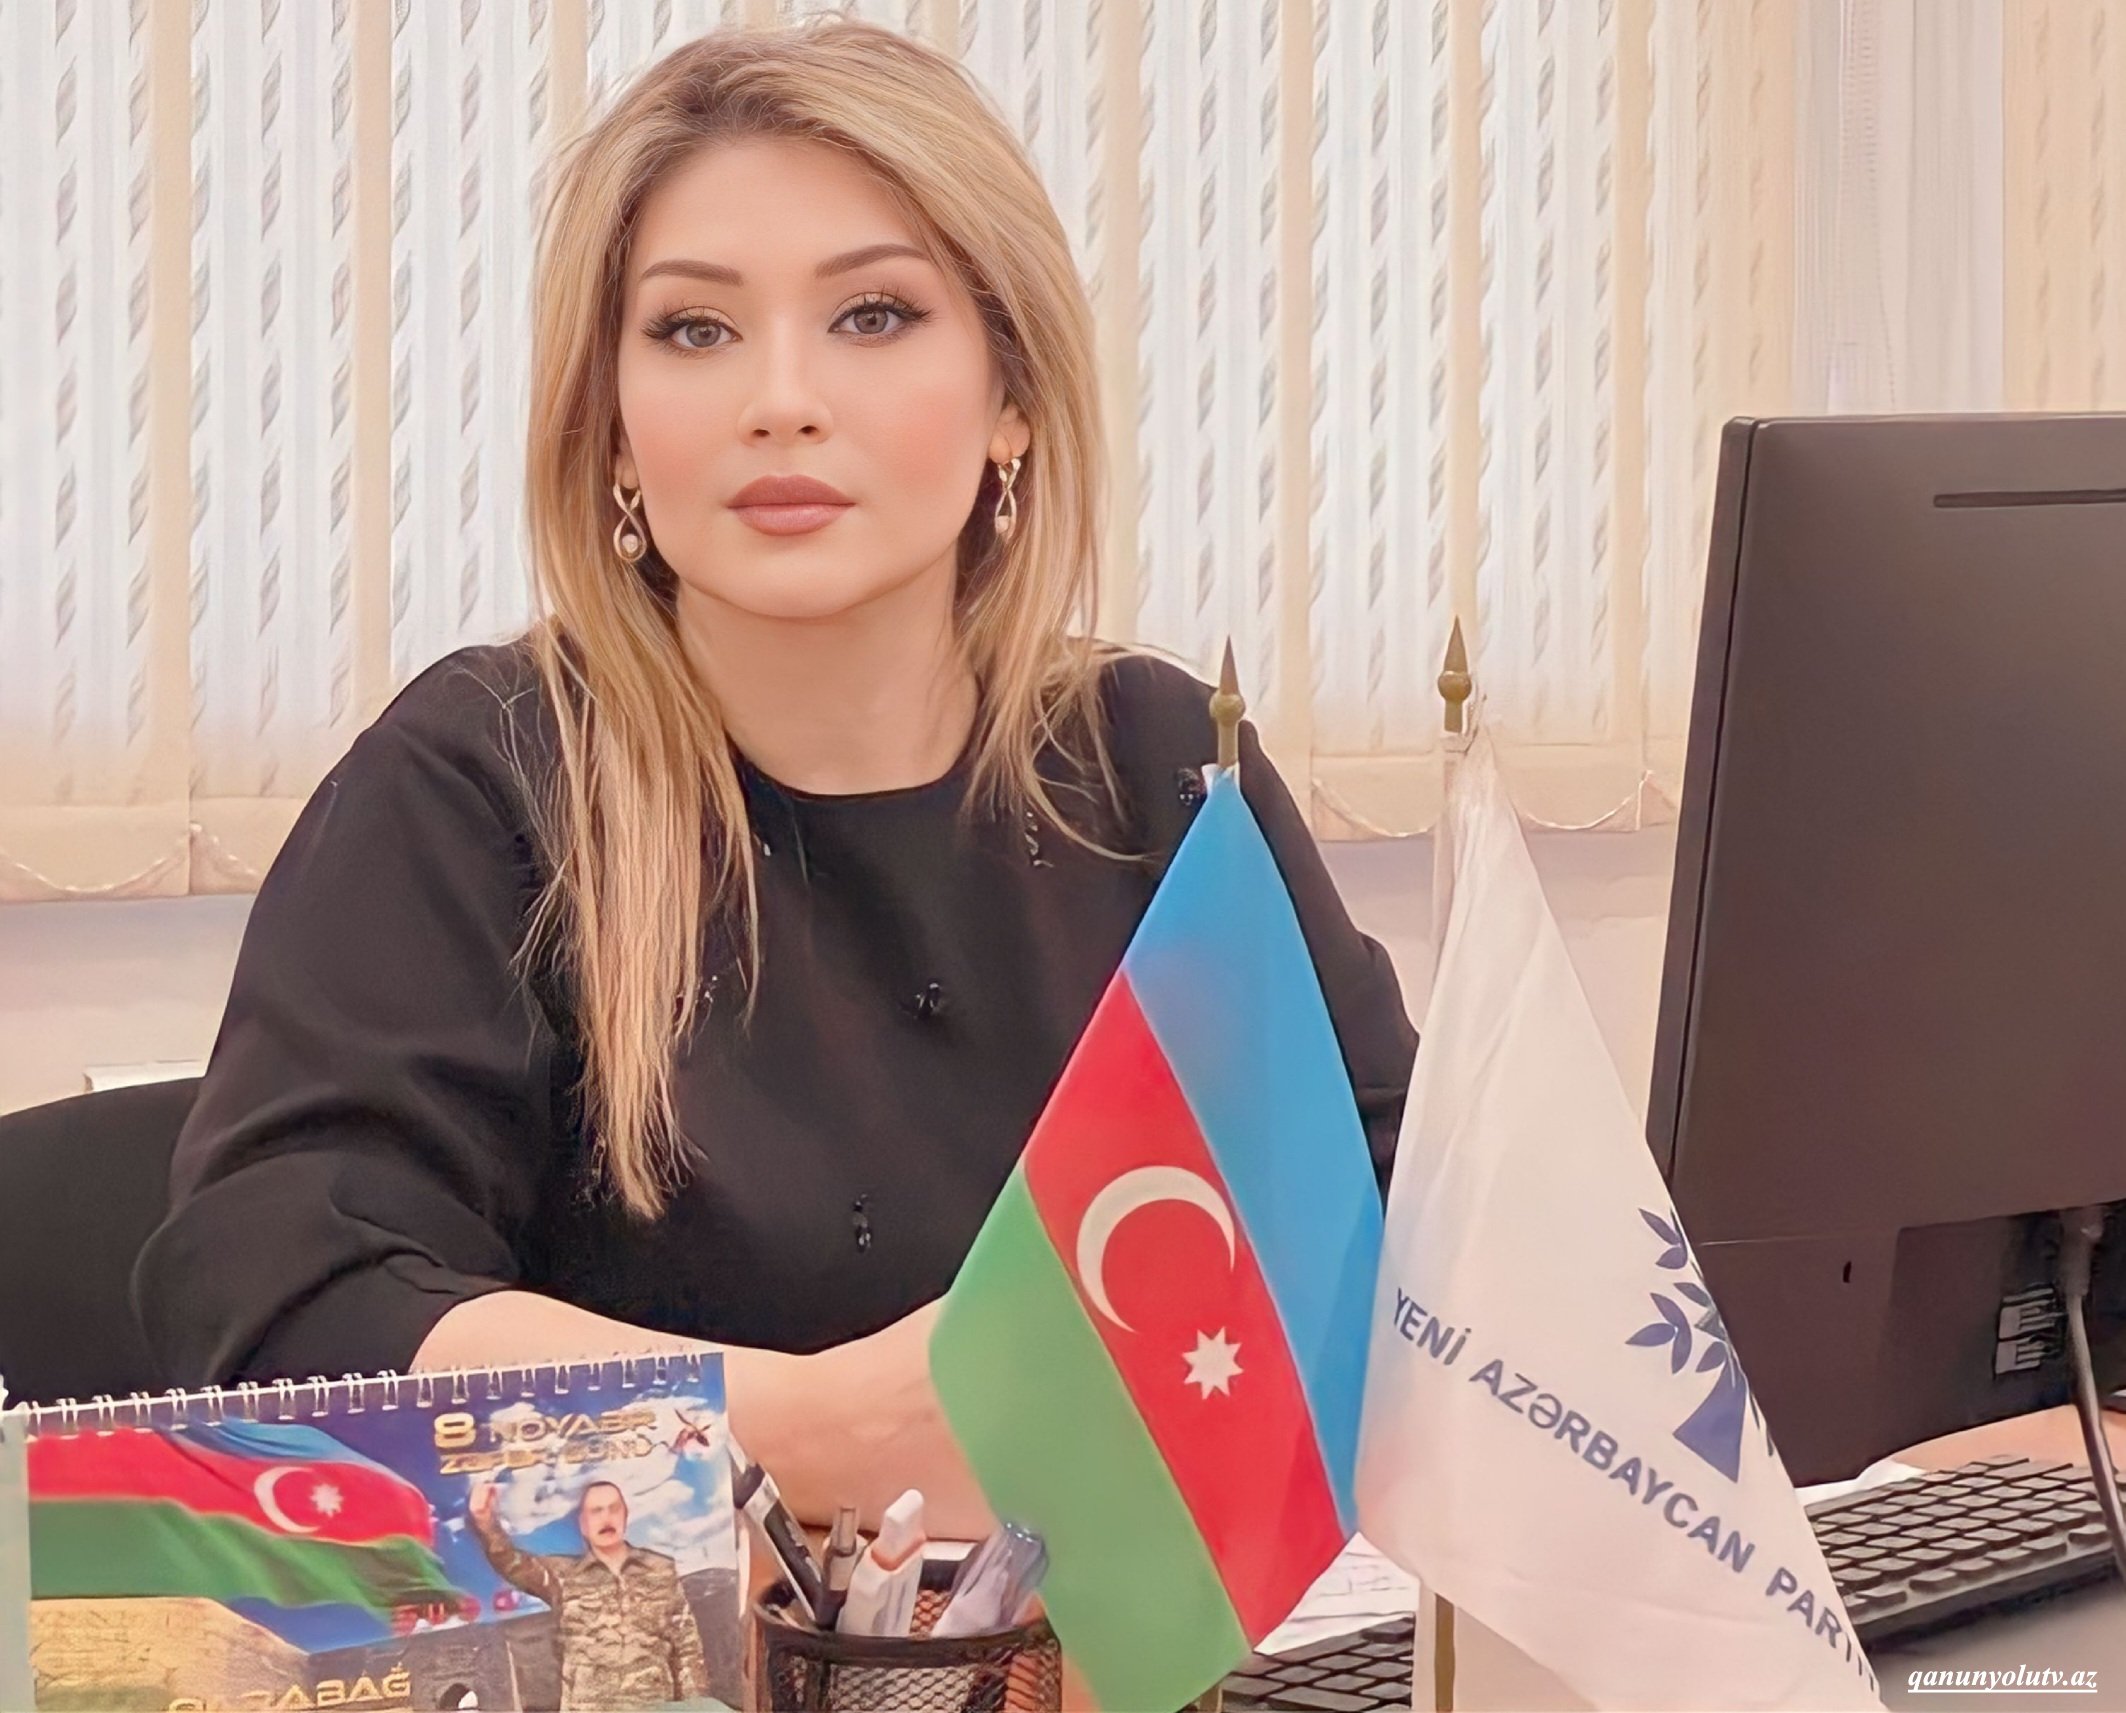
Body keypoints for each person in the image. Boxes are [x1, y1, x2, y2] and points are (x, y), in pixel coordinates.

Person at [134, 19, 1417, 1539]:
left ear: (1010, 395)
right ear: (614, 428)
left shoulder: (1156, 764)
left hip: (1125, 1635)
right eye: (694, 330)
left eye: (874, 315)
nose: (780, 399)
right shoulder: (476, 784)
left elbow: (1398, 1218)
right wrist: (814, 1433)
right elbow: (291, 1305)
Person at [468, 1480, 708, 1712]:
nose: (606, 1518)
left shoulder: (660, 1570)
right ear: (583, 1525)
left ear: (625, 1515)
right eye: (596, 1511)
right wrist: (486, 1522)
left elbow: (687, 1648)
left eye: (614, 1509)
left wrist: (696, 1707)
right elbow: (511, 1563)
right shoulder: (562, 1576)